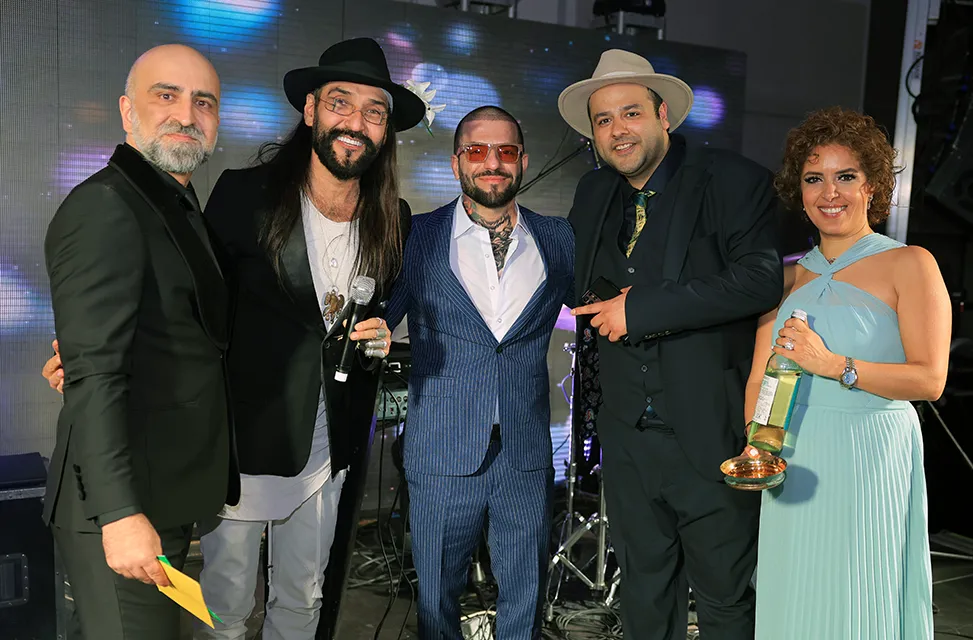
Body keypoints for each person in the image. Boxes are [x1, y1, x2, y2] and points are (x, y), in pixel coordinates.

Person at [42, 38, 425, 640]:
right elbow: (195, 301)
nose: (355, 122)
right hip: (242, 443)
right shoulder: (244, 195)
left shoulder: (392, 217)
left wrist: (377, 332)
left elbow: (362, 311)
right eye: (340, 102)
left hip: (329, 443)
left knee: (305, 597)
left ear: (386, 129)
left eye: (373, 111)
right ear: (310, 110)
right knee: (223, 605)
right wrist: (95, 354)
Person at [562, 49, 783, 639]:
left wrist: (640, 310)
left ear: (664, 115)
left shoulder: (733, 180)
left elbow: (760, 279)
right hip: (627, 440)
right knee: (644, 592)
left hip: (710, 434)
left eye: (631, 113)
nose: (618, 130)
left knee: (724, 599)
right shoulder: (592, 193)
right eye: (603, 120)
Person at [41, 44, 239, 639]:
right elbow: (96, 373)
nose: (186, 114)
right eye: (166, 95)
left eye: (203, 102)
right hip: (121, 507)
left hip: (163, 495)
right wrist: (120, 515)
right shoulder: (107, 205)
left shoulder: (172, 203)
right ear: (127, 111)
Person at [371, 106, 575, 639]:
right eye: (477, 150)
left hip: (525, 455)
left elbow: (602, 307)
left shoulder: (559, 239)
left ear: (522, 161)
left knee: (524, 602)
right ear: (456, 162)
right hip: (440, 452)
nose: (492, 162)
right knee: (436, 605)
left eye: (505, 151)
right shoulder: (418, 235)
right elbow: (378, 317)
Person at [751, 106, 948, 639]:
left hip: (871, 454)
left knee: (861, 593)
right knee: (794, 596)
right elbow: (760, 378)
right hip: (793, 455)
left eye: (845, 176)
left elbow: (930, 380)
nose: (829, 192)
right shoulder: (784, 277)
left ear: (872, 186)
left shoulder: (910, 263)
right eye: (814, 178)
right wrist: (757, 447)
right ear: (799, 190)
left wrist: (834, 366)